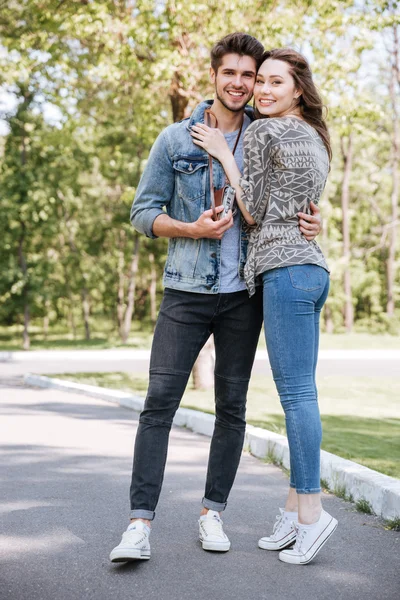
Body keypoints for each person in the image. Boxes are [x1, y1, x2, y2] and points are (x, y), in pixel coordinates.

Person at [109, 34, 322, 564]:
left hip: (245, 295)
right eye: (230, 72)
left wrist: (317, 219)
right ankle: (139, 525)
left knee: (232, 409)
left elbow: (289, 197)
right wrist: (190, 229)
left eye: (249, 75)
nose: (240, 83)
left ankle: (213, 513)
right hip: (186, 290)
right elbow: (141, 213)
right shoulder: (176, 139)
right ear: (214, 75)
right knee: (158, 407)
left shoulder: (267, 133)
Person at [191, 47, 337, 565]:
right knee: (303, 393)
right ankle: (292, 512)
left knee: (297, 397)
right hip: (311, 270)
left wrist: (226, 155)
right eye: (262, 83)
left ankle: (313, 516)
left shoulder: (261, 132)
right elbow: (301, 206)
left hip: (284, 270)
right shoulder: (315, 136)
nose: (264, 91)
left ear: (299, 89)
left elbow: (251, 211)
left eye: (277, 82)